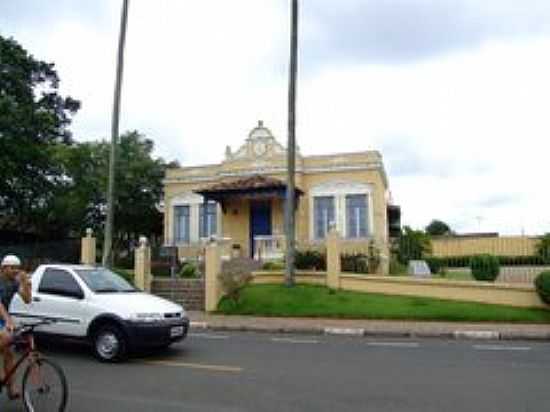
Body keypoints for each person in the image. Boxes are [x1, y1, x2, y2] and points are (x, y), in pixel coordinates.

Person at [0, 254, 32, 400]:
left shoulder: (14, 282)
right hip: (2, 315)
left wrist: (26, 283)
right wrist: (8, 320)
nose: (15, 271)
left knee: (9, 351)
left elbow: (27, 299)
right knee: (6, 338)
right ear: (3, 268)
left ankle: (10, 388)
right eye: (12, 268)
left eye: (17, 269)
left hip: (2, 317)